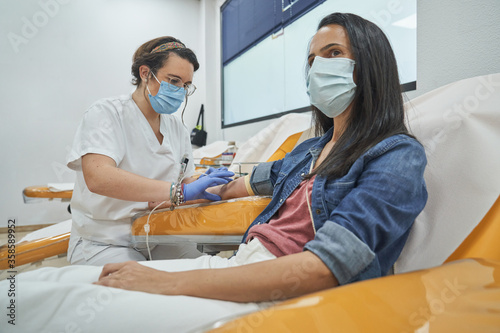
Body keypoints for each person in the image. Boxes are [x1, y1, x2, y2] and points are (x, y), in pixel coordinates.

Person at [1, 13, 428, 332]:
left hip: (273, 292)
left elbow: (323, 268)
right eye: (313, 58)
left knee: (67, 304)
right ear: (146, 74)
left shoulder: (395, 156)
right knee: (56, 282)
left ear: (370, 65)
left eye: (333, 54)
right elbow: (249, 180)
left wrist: (172, 277)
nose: (318, 68)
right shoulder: (311, 150)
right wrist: (200, 189)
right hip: (189, 253)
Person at [66, 36, 233, 265]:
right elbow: (98, 177)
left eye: (185, 85)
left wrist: (206, 184)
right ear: (145, 73)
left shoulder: (177, 128)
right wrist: (178, 192)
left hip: (159, 235)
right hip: (106, 240)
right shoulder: (107, 113)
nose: (180, 91)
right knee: (139, 292)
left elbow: (186, 180)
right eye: (173, 81)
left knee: (207, 273)